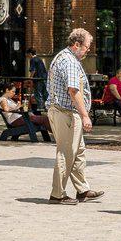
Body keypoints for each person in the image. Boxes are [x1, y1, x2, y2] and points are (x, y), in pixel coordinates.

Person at [46, 28, 101, 204]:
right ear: (76, 44)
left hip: (65, 111)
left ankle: (82, 190)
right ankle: (58, 194)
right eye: (86, 46)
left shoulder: (65, 57)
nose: (88, 50)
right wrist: (85, 115)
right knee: (67, 152)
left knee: (78, 151)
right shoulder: (69, 61)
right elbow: (73, 90)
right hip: (66, 112)